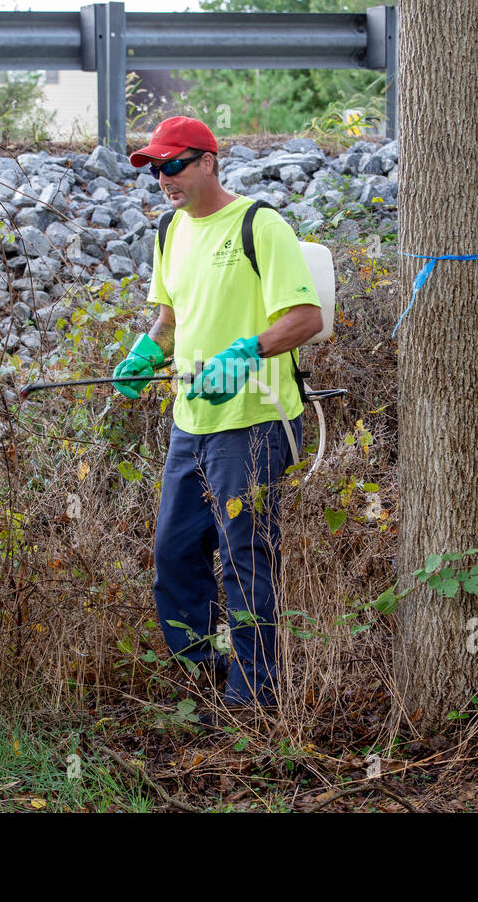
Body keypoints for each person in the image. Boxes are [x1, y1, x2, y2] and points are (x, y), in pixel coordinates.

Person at [112, 116, 323, 711]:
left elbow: (306, 318)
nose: (162, 178)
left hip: (254, 423)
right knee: (175, 557)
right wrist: (149, 348)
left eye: (173, 164)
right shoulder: (168, 231)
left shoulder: (261, 224)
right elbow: (172, 317)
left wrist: (247, 351)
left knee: (243, 557)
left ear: (207, 160)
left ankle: (254, 697)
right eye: (155, 167)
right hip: (191, 423)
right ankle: (207, 671)